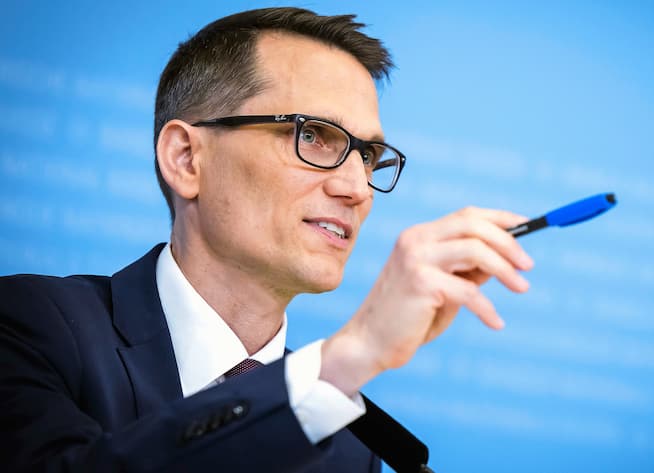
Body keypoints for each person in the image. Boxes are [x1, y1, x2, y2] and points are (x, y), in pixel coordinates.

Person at [0, 7, 534, 472]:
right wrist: (351, 356)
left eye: (368, 156)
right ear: (186, 159)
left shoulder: (350, 444)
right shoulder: (31, 326)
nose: (356, 188)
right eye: (312, 135)